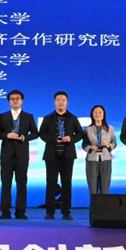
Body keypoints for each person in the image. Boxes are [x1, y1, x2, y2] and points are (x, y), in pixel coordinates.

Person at [39, 91, 85, 220]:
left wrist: (71, 138)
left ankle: (66, 211)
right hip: (51, 156)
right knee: (51, 184)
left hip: (67, 156)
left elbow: (80, 134)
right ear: (54, 102)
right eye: (58, 100)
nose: (61, 102)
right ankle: (50, 212)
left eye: (63, 100)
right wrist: (53, 139)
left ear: (67, 102)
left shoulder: (72, 118)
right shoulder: (48, 118)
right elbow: (42, 134)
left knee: (67, 184)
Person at [0, 90, 39, 219]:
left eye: (17, 98)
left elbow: (35, 133)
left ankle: (20, 212)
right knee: (6, 184)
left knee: (21, 183)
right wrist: (7, 135)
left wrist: (24, 137)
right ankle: (5, 212)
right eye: (12, 99)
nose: (15, 101)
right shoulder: (3, 116)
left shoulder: (28, 116)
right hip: (6, 155)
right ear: (9, 101)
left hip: (22, 154)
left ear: (22, 101)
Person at [82, 105, 116, 196]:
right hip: (92, 160)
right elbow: (84, 145)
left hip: (106, 160)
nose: (98, 114)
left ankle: (104, 205)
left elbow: (114, 143)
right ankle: (94, 205)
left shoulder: (110, 129)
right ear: (92, 115)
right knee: (93, 189)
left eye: (100, 112)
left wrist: (108, 145)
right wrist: (90, 148)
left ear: (104, 114)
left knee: (105, 189)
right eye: (95, 113)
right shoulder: (87, 129)